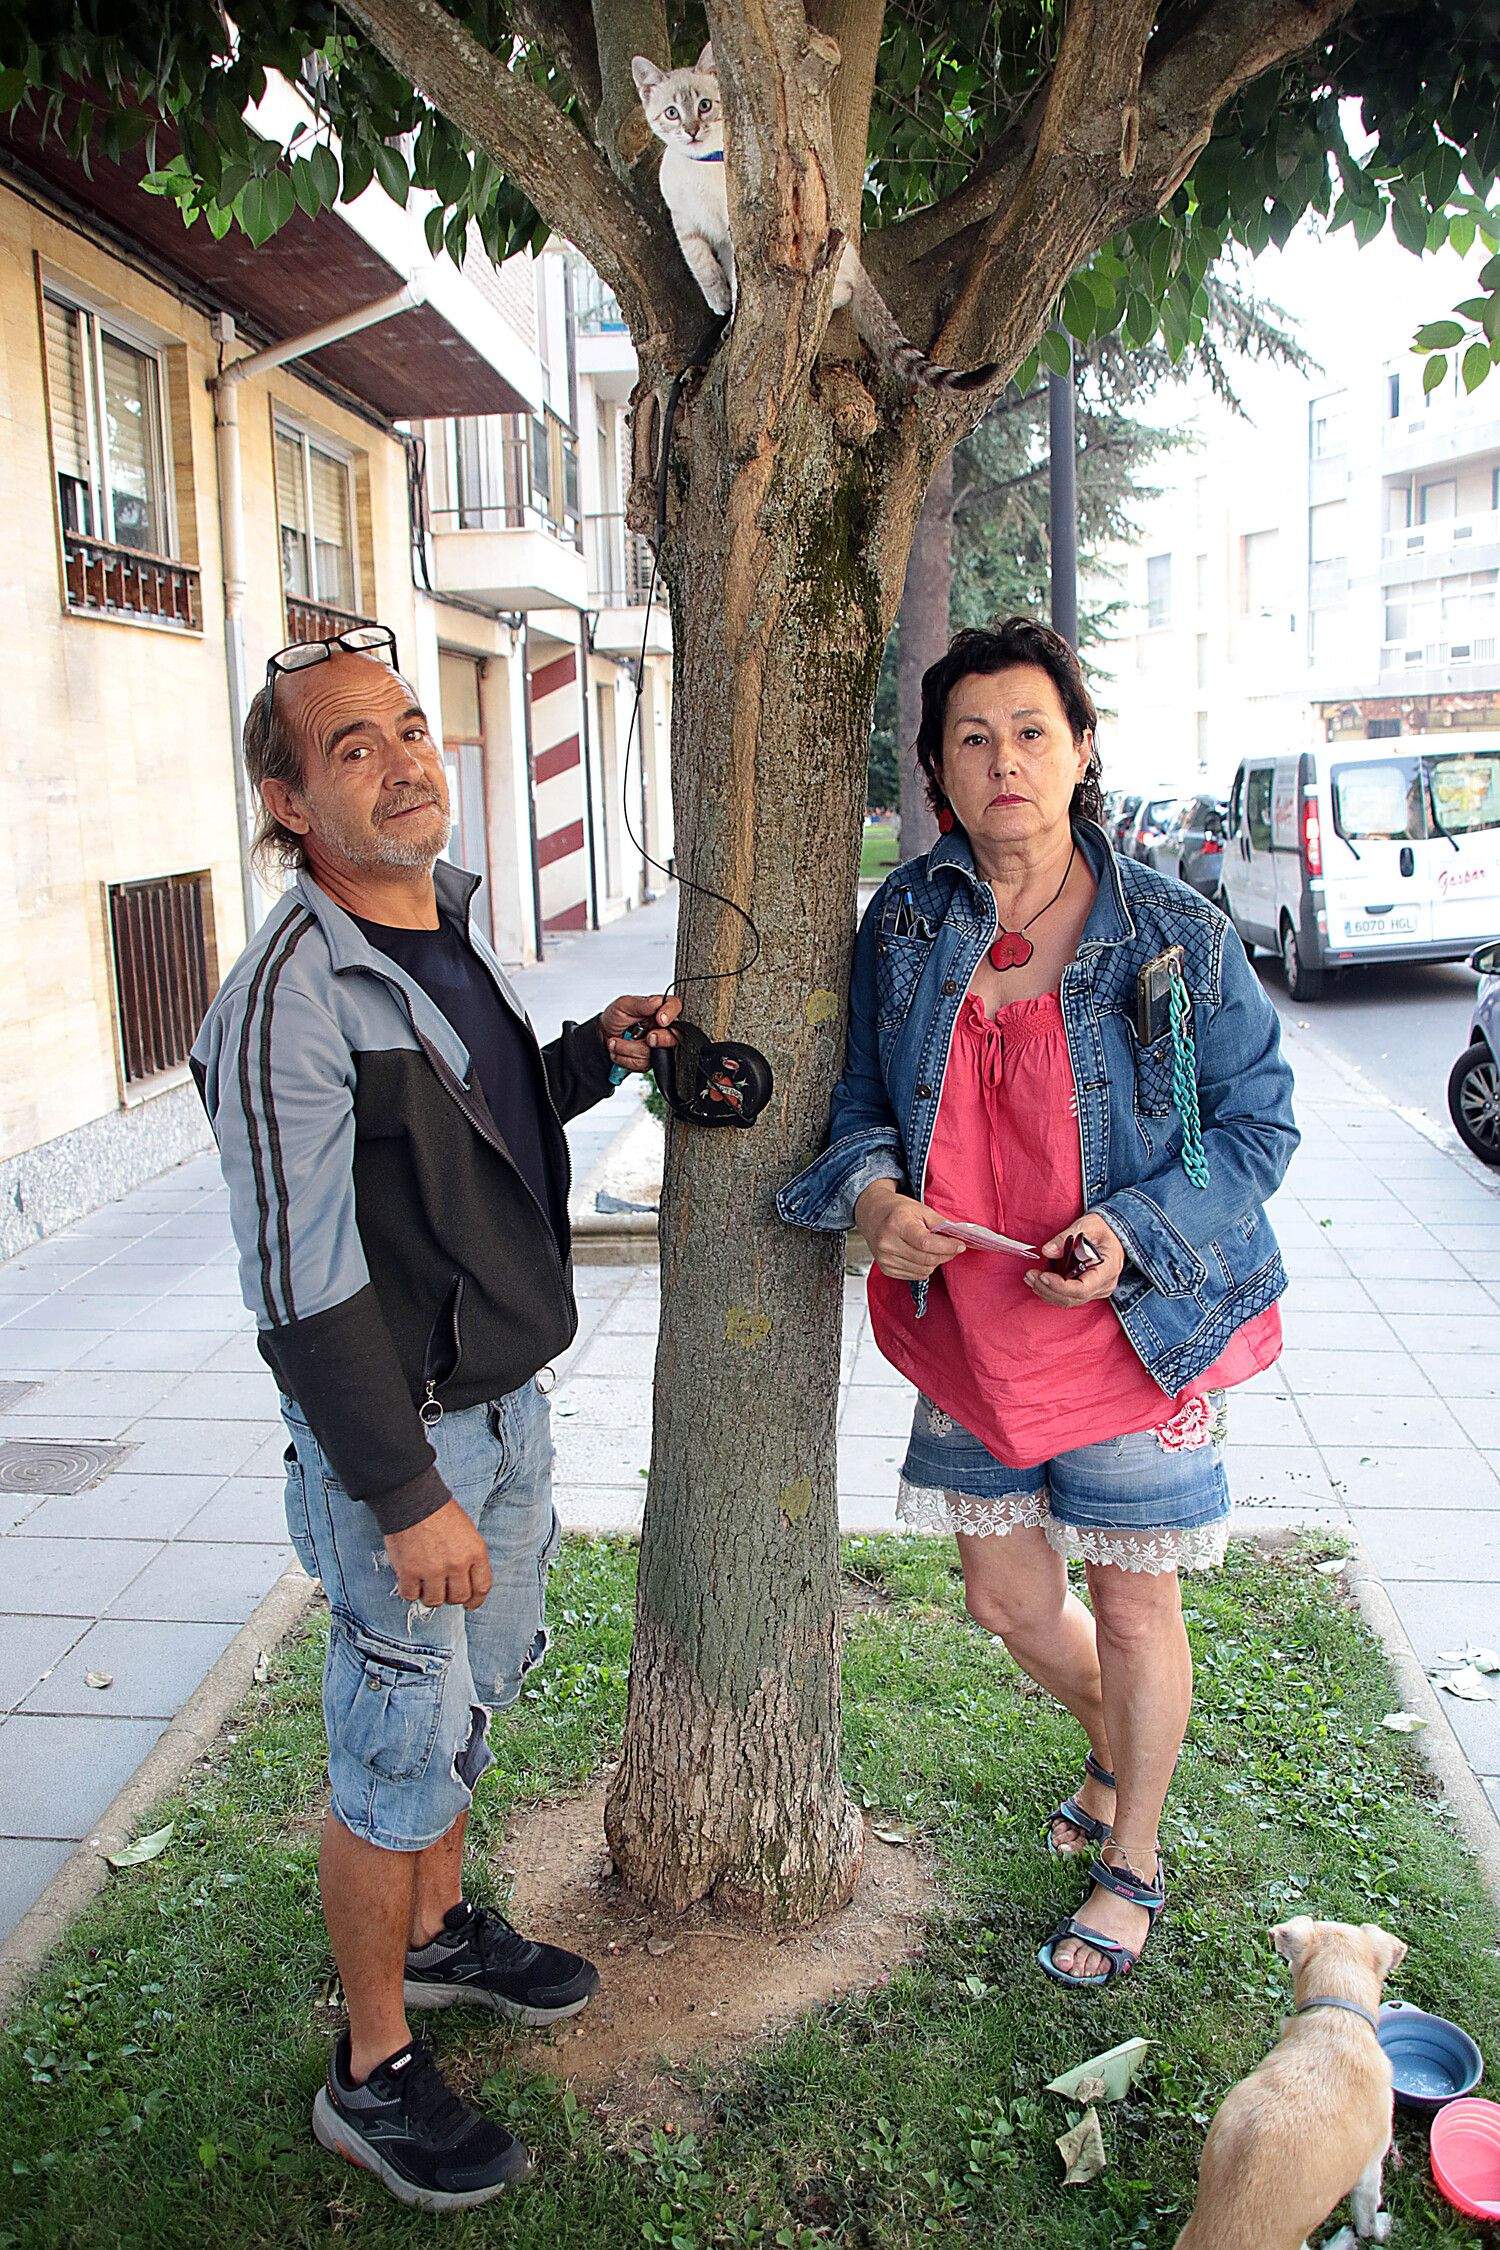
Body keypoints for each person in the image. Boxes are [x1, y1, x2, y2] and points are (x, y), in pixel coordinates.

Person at [191, 625, 679, 2210]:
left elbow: (474, 1125)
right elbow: (303, 1291)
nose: (409, 758)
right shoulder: (288, 997)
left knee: (464, 1710)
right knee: (391, 1747)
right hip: (402, 1450)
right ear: (284, 796)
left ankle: (445, 1926)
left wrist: (590, 1061)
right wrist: (405, 1495)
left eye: (411, 727)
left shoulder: (435, 926)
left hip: (504, 1418)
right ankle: (372, 2065)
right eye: (353, 746)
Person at [778, 618, 1297, 1991]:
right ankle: (1130, 1748)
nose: (1004, 758)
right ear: (939, 773)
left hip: (1141, 1328)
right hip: (979, 1325)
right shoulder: (905, 920)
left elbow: (1259, 1126)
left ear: (1078, 751)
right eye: (972, 736)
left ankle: (1134, 1855)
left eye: (1031, 730)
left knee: (1135, 1613)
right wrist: (877, 1201)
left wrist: (1132, 1235)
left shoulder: (1174, 926)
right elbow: (856, 1108)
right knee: (1009, 1602)